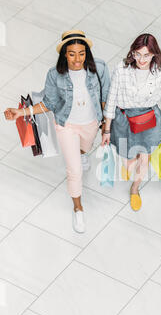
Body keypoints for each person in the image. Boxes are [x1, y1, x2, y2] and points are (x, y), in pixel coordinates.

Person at [4, 30, 110, 233]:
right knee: (75, 170)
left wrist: (106, 123)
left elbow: (106, 95)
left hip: (91, 123)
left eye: (81, 53)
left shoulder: (100, 68)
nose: (77, 59)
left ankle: (82, 154)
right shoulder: (55, 75)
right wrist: (21, 112)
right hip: (66, 125)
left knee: (84, 148)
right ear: (64, 55)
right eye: (72, 54)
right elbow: (49, 103)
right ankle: (78, 208)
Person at [102, 33, 161, 211]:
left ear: (154, 54)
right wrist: (106, 130)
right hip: (124, 119)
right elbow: (111, 99)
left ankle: (135, 188)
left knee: (144, 158)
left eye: (147, 55)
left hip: (149, 119)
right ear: (132, 53)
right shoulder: (121, 69)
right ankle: (130, 164)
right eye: (137, 54)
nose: (141, 59)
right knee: (128, 160)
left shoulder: (160, 72)